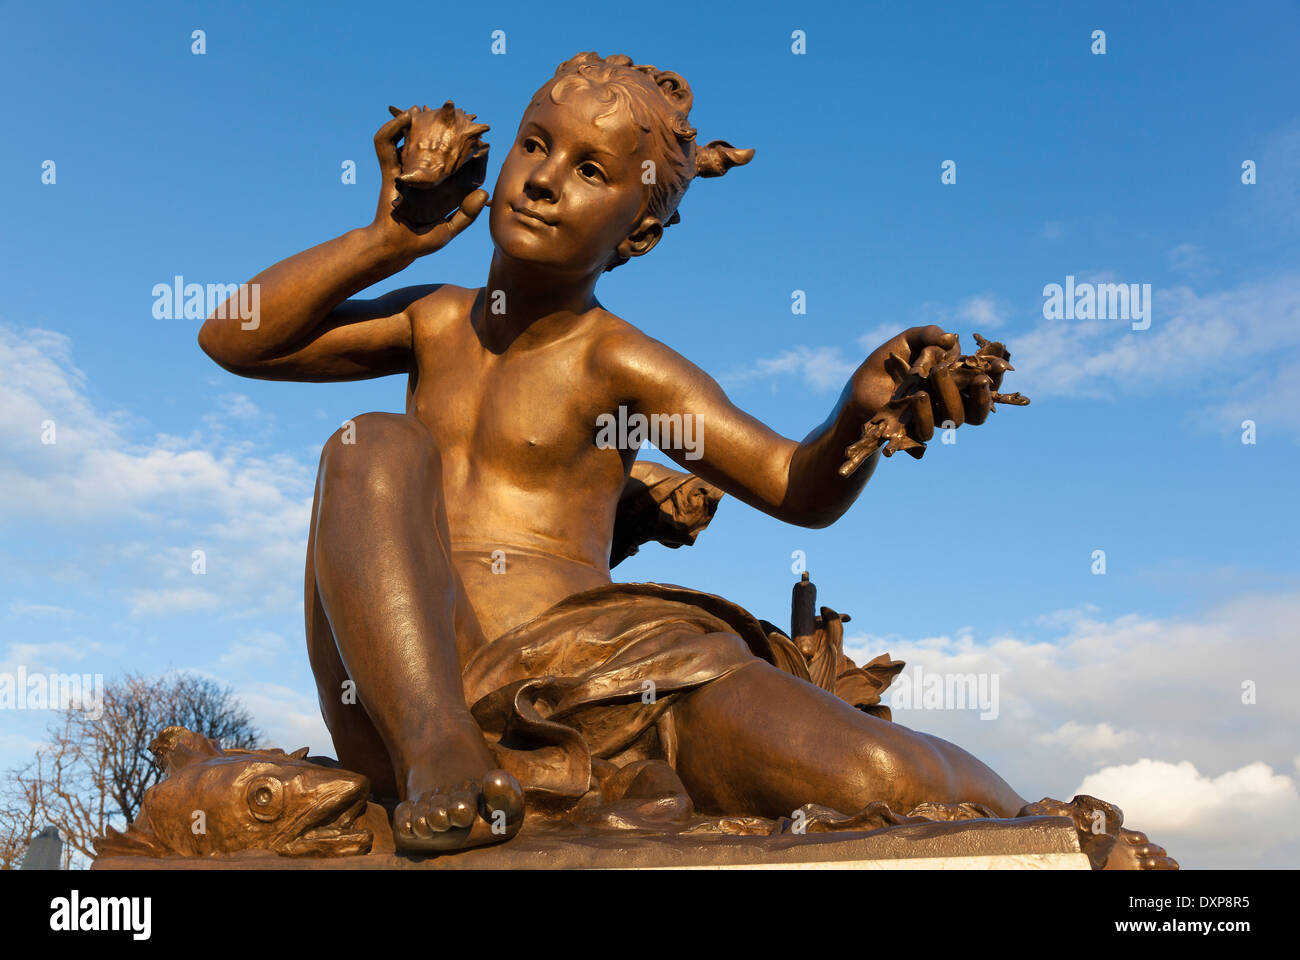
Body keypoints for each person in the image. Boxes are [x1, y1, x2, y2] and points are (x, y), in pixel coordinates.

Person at [199, 53, 1172, 868]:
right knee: (373, 442)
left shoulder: (622, 362)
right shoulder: (436, 320)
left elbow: (794, 486)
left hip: (607, 675)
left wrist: (855, 419)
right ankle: (441, 752)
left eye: (590, 170)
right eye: (535, 145)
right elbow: (236, 338)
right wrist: (385, 240)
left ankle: (1051, 830)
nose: (541, 178)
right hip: (411, 691)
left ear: (642, 226)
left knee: (869, 779)